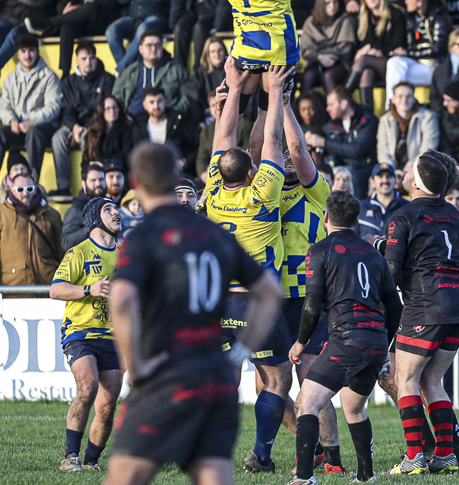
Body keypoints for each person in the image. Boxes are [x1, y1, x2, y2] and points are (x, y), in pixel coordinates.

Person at [104, 142, 281, 485]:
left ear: (135, 182)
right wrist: (240, 354)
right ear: (175, 177)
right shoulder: (216, 232)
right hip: (214, 374)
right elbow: (269, 293)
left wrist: (135, 366)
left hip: (165, 373)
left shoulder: (145, 235)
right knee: (214, 476)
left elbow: (121, 300)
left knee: (124, 477)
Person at [205, 59, 290, 473]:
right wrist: (275, 90)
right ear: (253, 171)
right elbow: (271, 138)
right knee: (276, 379)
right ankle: (261, 454)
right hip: (255, 304)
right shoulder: (262, 194)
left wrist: (235, 89)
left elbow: (223, 140)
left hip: (218, 303)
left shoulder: (212, 192)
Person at [288, 191, 403, 485]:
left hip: (346, 338)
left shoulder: (320, 250)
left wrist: (300, 342)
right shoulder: (373, 254)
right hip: (375, 341)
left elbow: (312, 304)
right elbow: (395, 307)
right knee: (353, 406)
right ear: (356, 221)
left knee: (306, 403)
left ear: (326, 217)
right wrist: (386, 346)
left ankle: (303, 478)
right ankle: (365, 476)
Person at [382, 150, 459, 475]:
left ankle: (414, 458)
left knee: (404, 379)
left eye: (411, 168)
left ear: (418, 182)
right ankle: (446, 456)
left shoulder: (402, 215)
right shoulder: (454, 213)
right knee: (432, 381)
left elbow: (392, 270)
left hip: (426, 304)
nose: (405, 172)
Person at [277, 96, 341, 474]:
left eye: (292, 155)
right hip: (272, 299)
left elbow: (299, 150)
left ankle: (333, 458)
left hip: (307, 296)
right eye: (281, 155)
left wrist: (282, 102)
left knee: (310, 381)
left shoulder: (317, 191)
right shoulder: (266, 193)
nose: (288, 158)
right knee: (271, 388)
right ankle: (314, 448)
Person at [50, 196, 122, 472]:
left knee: (108, 404)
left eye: (116, 208)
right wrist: (89, 289)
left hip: (113, 336)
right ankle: (70, 456)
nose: (116, 212)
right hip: (79, 333)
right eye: (108, 209)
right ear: (94, 218)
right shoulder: (78, 252)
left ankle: (91, 461)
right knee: (88, 386)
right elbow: (56, 289)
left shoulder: (126, 255)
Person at [0, 35, 61, 182]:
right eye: (23, 51)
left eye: (31, 50)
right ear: (18, 54)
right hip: (18, 128)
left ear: (37, 52)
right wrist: (11, 121)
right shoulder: (10, 79)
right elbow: (4, 107)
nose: (27, 55)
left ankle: (33, 180)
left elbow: (53, 108)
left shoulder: (49, 76)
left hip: (44, 127)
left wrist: (32, 121)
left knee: (34, 132)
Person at [0, 172, 64, 291]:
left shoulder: (52, 214)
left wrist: (66, 281)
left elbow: (63, 251)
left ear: (35, 189)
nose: (25, 193)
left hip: (48, 288)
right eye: (20, 189)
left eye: (29, 189)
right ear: (12, 190)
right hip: (13, 290)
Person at [49, 44, 115, 196]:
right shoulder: (68, 81)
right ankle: (63, 187)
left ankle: (88, 188)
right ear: (76, 61)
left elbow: (107, 109)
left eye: (92, 58)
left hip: (99, 125)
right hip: (75, 125)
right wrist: (75, 127)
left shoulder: (107, 79)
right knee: (58, 138)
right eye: (84, 59)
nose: (88, 62)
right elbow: (66, 109)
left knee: (88, 137)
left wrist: (89, 128)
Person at [384, 0, 451, 105]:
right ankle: (392, 105)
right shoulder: (410, 18)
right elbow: (411, 45)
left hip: (434, 66)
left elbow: (438, 49)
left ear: (419, 2)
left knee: (398, 76)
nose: (406, 2)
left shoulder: (438, 16)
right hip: (417, 63)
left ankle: (401, 105)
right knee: (394, 63)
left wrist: (408, 53)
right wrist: (402, 52)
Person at [344, 0, 406, 108]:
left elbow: (397, 44)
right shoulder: (364, 18)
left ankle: (344, 95)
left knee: (364, 60)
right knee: (366, 73)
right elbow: (360, 47)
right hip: (371, 64)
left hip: (391, 63)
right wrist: (367, 50)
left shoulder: (395, 14)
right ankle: (368, 114)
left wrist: (370, 50)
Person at [307, 86, 378, 194]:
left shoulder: (367, 121)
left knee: (352, 177)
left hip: (363, 170)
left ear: (344, 104)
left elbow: (357, 149)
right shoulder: (330, 125)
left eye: (331, 105)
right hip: (338, 169)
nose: (327, 109)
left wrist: (324, 142)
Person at [111, 30, 190, 120]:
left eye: (157, 45)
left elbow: (186, 100)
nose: (153, 49)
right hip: (131, 123)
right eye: (149, 45)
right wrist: (124, 117)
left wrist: (169, 115)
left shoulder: (177, 70)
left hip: (165, 121)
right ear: (141, 49)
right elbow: (115, 101)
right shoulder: (128, 72)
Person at [132, 87, 199, 176]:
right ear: (145, 105)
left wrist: (185, 161)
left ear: (165, 101)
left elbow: (199, 145)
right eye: (151, 102)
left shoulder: (179, 121)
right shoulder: (139, 125)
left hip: (178, 174)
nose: (156, 106)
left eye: (159, 101)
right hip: (150, 175)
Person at [300, 0, 356, 93]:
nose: (332, 6)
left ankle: (333, 104)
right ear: (320, 5)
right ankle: (304, 103)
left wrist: (320, 53)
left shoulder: (345, 19)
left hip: (341, 63)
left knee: (328, 76)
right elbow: (306, 50)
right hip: (317, 62)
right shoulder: (310, 22)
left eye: (335, 2)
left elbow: (345, 49)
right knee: (308, 76)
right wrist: (320, 57)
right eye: (327, 3)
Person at [377, 82, 439, 175]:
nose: (404, 100)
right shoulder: (385, 120)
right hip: (391, 171)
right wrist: (392, 171)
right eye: (400, 96)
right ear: (393, 99)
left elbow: (428, 149)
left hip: (418, 169)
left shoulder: (428, 117)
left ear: (414, 99)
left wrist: (408, 171)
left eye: (408, 96)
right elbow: (382, 150)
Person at [196, 89, 251, 184]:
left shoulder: (244, 125)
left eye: (220, 103)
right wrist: (203, 174)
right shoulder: (206, 131)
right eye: (213, 105)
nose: (216, 108)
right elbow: (201, 157)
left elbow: (248, 152)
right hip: (214, 175)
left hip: (238, 174)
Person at [61, 162, 107, 250]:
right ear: (83, 183)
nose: (98, 184)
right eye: (93, 180)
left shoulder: (111, 206)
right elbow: (66, 243)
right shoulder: (75, 211)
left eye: (101, 179)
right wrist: (93, 226)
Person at [357, 162, 408, 239]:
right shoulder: (360, 208)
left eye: (389, 176)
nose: (385, 180)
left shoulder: (407, 207)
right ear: (372, 182)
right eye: (380, 176)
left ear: (395, 181)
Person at [81, 96, 134, 170]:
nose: (112, 111)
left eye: (115, 107)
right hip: (96, 172)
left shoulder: (127, 129)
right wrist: (91, 165)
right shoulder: (92, 132)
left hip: (118, 170)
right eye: (108, 108)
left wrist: (102, 162)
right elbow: (86, 160)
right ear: (101, 111)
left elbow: (125, 156)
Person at [188, 37, 227, 112]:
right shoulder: (200, 74)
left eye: (220, 50)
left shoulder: (232, 72)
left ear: (225, 51)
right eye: (213, 51)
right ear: (207, 55)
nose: (217, 54)